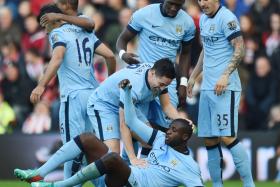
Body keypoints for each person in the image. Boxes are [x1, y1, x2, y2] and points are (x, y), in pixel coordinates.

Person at [15, 79, 204, 187]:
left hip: (134, 184)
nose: (168, 132)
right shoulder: (160, 139)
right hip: (124, 178)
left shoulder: (189, 167)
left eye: (173, 130)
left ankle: (58, 186)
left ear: (185, 137)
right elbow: (131, 121)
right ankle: (39, 173)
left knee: (114, 157)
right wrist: (128, 92)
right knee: (88, 138)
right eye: (169, 128)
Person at [30, 4, 116, 183]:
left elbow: (58, 58)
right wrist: (110, 83)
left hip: (73, 97)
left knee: (71, 148)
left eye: (45, 25)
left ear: (51, 20)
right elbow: (110, 56)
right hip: (93, 97)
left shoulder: (58, 33)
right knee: (89, 149)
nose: (45, 31)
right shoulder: (86, 32)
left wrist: (41, 85)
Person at [116, 0, 196, 164]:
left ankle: (154, 170)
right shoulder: (143, 14)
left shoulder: (187, 23)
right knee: (137, 127)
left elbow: (186, 54)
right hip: (144, 80)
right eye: (171, 4)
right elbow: (122, 39)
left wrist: (182, 81)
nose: (174, 8)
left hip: (168, 82)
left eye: (178, 5)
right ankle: (127, 165)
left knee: (168, 130)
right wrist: (123, 54)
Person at [187, 0, 255, 187]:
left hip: (225, 87)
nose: (202, 3)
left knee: (227, 136)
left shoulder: (227, 18)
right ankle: (217, 185)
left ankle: (249, 184)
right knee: (209, 138)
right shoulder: (202, 20)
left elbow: (240, 49)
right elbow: (205, 50)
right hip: (207, 87)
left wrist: (225, 75)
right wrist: (193, 76)